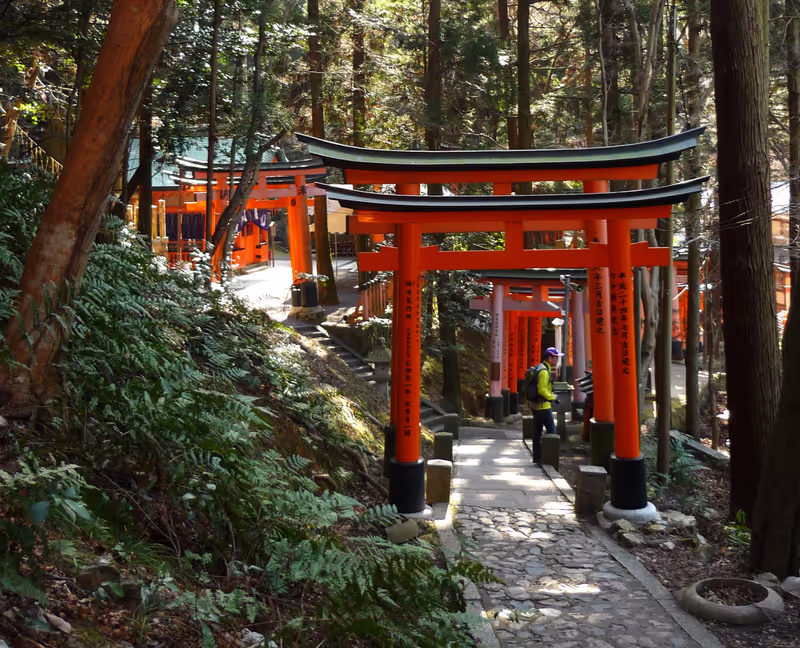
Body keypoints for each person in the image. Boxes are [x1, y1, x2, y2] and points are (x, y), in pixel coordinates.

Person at [524, 347, 563, 442]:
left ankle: (537, 455)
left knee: (537, 431)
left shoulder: (540, 367)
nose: (557, 360)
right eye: (556, 358)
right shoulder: (544, 372)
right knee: (551, 430)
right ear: (550, 358)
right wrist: (552, 397)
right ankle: (548, 455)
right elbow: (542, 390)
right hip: (543, 406)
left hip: (536, 405)